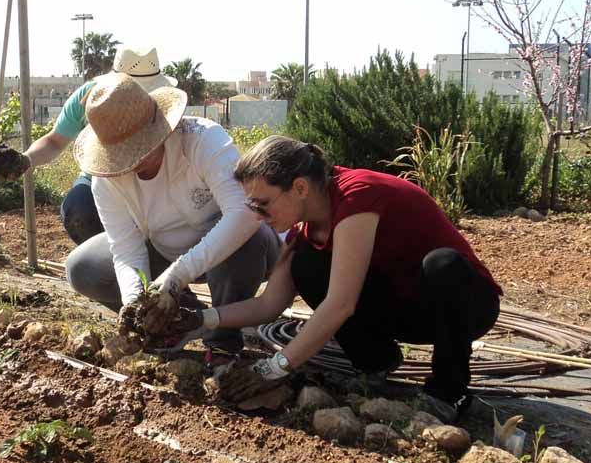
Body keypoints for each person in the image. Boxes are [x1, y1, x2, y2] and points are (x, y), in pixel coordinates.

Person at [177, 136, 501, 423]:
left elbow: (341, 304)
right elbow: (268, 304)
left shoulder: (357, 197)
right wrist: (198, 320)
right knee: (307, 266)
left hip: (463, 305)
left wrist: (272, 368)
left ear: (300, 188)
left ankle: (449, 392)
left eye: (263, 204)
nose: (258, 216)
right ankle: (376, 363)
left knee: (443, 265)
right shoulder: (306, 230)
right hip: (407, 307)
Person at [63, 73, 280, 353]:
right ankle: (179, 322)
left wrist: (177, 276)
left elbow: (245, 214)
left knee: (249, 239)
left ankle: (223, 340)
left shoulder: (204, 140)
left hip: (230, 255)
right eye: (124, 154)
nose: (133, 162)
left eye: (139, 150)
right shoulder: (107, 179)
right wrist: (136, 303)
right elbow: (126, 249)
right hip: (163, 250)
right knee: (82, 267)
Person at [0, 48, 178, 244]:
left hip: (153, 179)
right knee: (79, 212)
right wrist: (25, 159)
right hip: (102, 179)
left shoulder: (166, 103)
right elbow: (54, 141)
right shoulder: (90, 97)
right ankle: (109, 263)